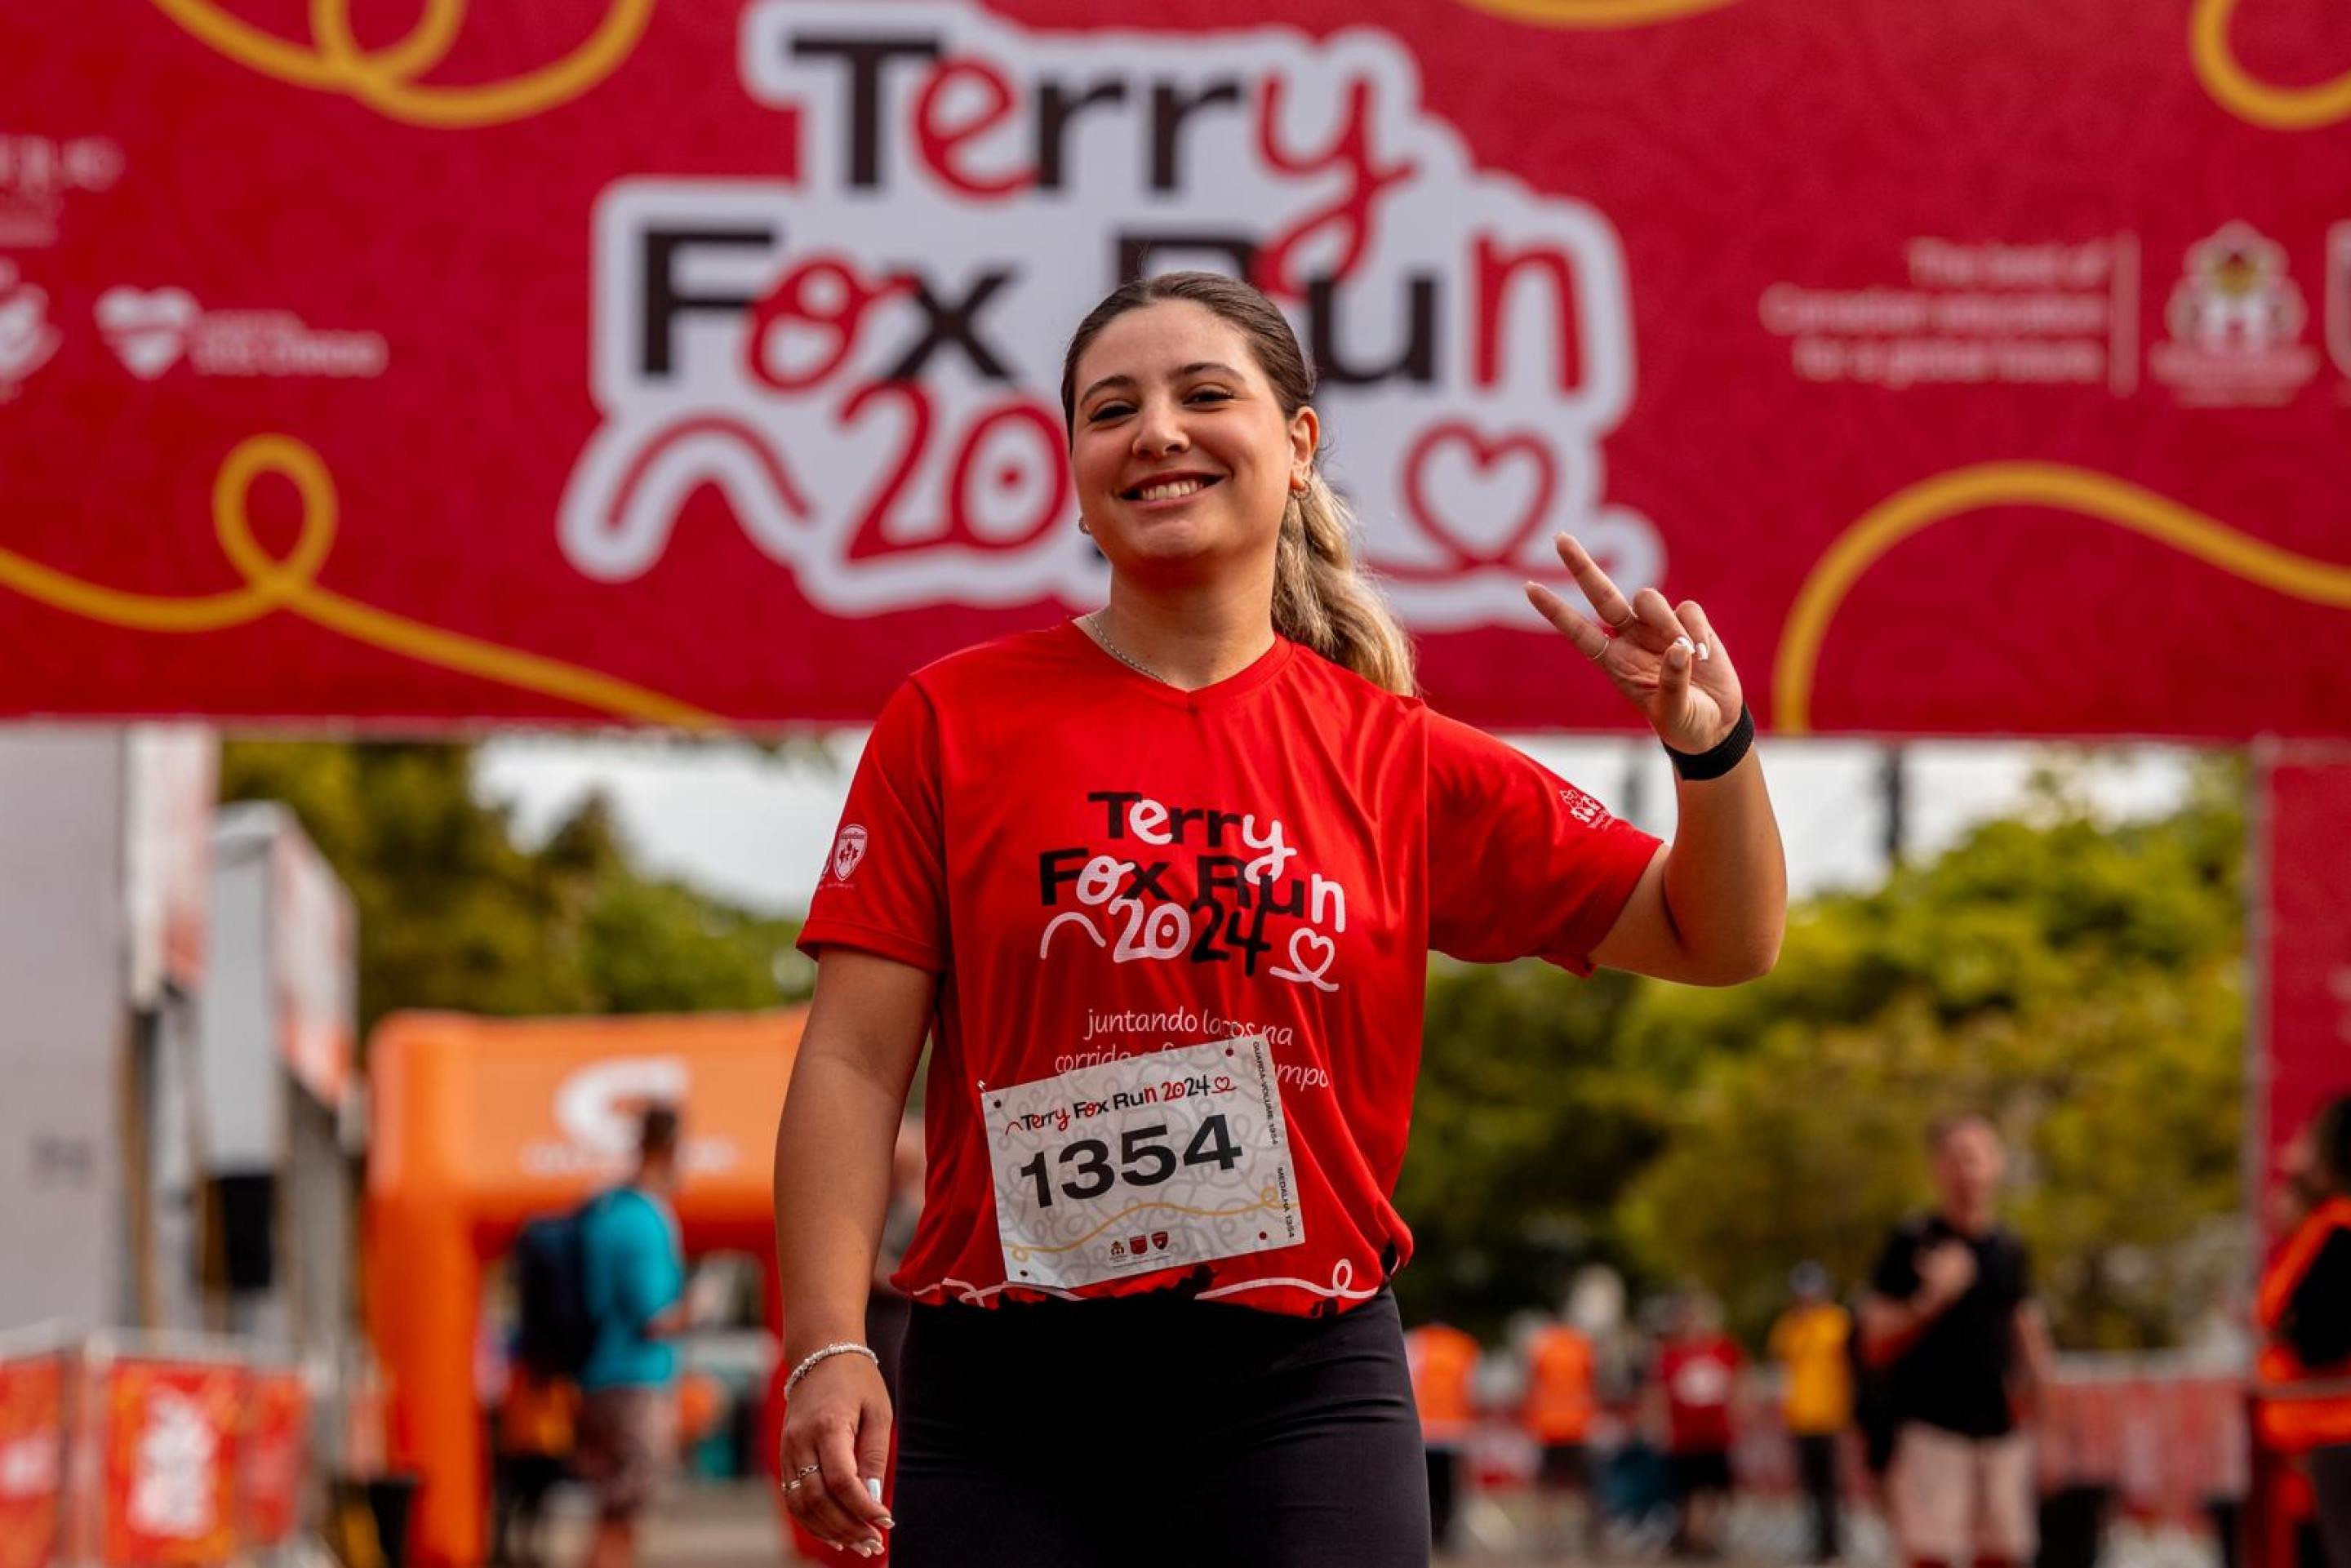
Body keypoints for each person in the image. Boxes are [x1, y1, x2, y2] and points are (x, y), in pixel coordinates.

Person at [771, 269, 1787, 1566]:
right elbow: (854, 1061)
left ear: (1299, 445)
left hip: (1297, 1390)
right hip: (1007, 1387)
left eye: (1206, 395)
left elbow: (1723, 937)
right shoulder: (951, 721)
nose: (1158, 433)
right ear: (1076, 469)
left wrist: (1715, 751)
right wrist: (829, 1343)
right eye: (1110, 409)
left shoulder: (1399, 757)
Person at [1860, 1114, 2054, 1568]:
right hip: (1932, 1428)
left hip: (2001, 1430)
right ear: (1938, 1168)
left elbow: (2030, 1340)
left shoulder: (2008, 1247)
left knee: (2004, 1552)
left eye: (1977, 1157)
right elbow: (1874, 1342)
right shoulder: (1913, 1241)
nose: (1968, 1170)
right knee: (1931, 1554)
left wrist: (2048, 1432)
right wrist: (1931, 1300)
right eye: (1956, 1159)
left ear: (1997, 1165)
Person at [575, 1104, 688, 1568]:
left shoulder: (606, 1211)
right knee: (622, 1517)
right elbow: (654, 1317)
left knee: (610, 1511)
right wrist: (695, 1310)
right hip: (635, 1383)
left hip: (597, 1377)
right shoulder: (645, 1221)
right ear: (670, 1148)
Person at [2254, 1096, 2351, 1568]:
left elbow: (2321, 1338)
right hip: (2319, 1434)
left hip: (2337, 1430)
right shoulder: (2325, 1230)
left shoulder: (2341, 1233)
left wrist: (2285, 1336)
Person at [1768, 1263, 1852, 1565]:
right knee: (1809, 1486)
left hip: (1831, 1416)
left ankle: (1833, 1543)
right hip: (1800, 1418)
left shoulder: (1837, 1323)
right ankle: (1816, 1540)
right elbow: (1783, 1372)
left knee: (1831, 1485)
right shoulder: (1789, 1326)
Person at [1655, 1295, 1743, 1558]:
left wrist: (1739, 1417)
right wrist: (1660, 1425)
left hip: (1715, 1433)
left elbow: (1736, 1384)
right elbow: (1660, 1393)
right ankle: (1693, 1538)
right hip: (1685, 1434)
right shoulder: (1671, 1355)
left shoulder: (1722, 1349)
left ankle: (1706, 1536)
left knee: (1714, 1490)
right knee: (1687, 1491)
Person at [1519, 1312, 1599, 1558]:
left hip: (1548, 1423)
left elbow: (1531, 1383)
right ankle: (1580, 1534)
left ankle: (1548, 1536)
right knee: (1580, 1486)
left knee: (1548, 1487)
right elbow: (1592, 1382)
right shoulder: (1581, 1346)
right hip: (1576, 1423)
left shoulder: (1542, 1346)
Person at [490, 1342, 576, 1568]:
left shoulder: (551, 1376)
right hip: (528, 1441)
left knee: (531, 1501)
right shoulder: (527, 1366)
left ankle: (525, 1548)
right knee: (520, 1500)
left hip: (540, 1441)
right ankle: (518, 1548)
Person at [1407, 1319, 1482, 1553]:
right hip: (1454, 1427)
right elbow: (1473, 1388)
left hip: (1425, 1426)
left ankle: (1432, 1530)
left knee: (1426, 1484)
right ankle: (1445, 1531)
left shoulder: (1415, 1342)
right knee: (1448, 1486)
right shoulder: (1463, 1346)